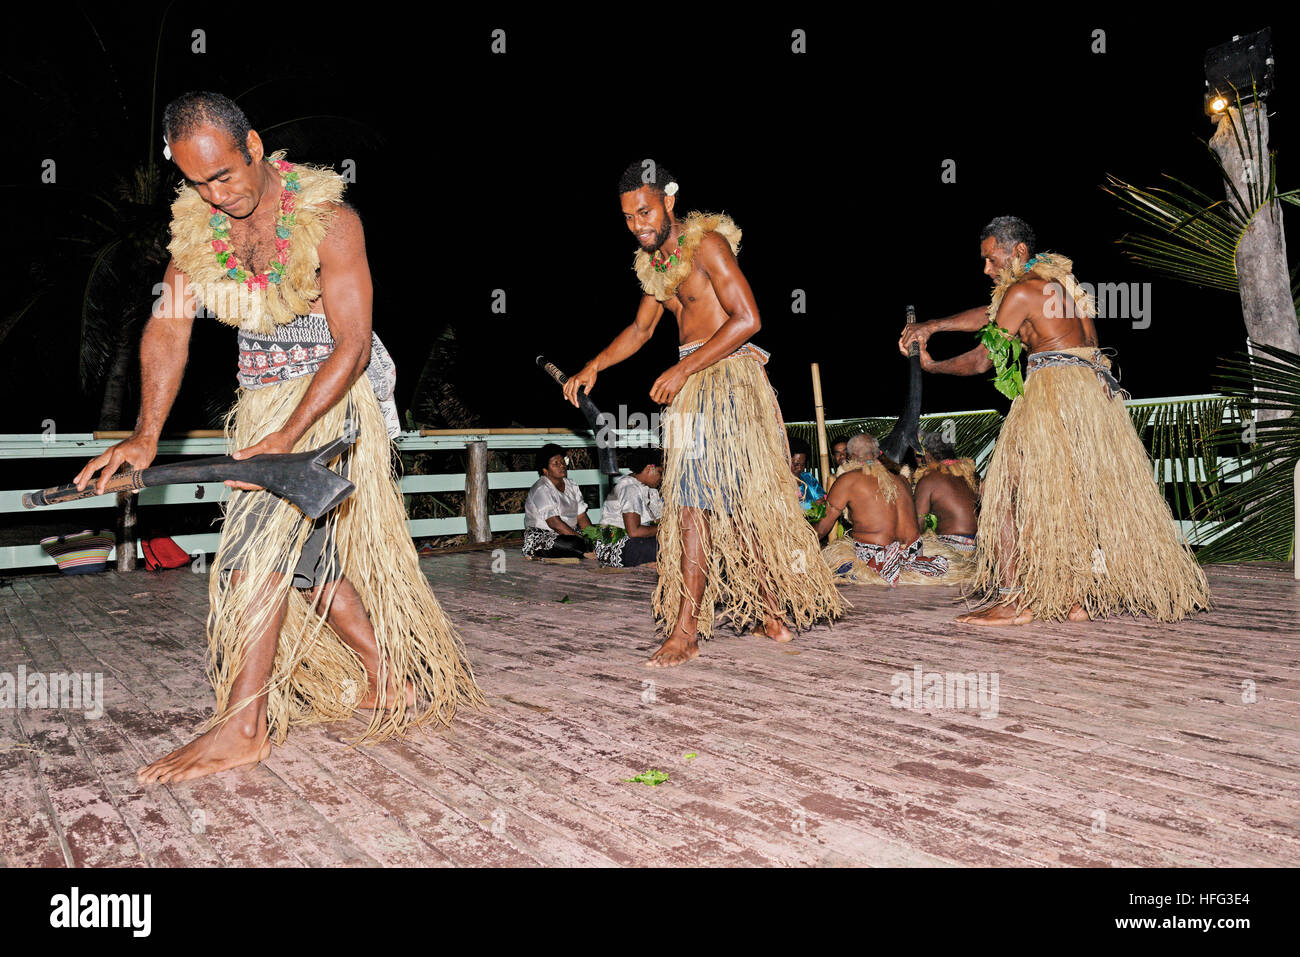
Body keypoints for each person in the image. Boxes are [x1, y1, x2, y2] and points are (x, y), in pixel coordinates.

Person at [74, 92, 482, 784]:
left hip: (337, 394)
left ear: (254, 146)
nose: (213, 194)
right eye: (195, 181)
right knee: (308, 559)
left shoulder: (329, 221)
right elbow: (170, 326)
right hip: (264, 404)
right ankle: (392, 677)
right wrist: (145, 435)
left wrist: (289, 436)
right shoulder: (197, 233)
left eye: (223, 176)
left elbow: (351, 345)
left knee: (252, 550)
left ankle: (245, 725)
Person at [562, 160, 843, 665]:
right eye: (628, 217)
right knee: (707, 504)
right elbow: (642, 330)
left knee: (726, 503)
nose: (638, 225)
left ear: (669, 201)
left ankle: (725, 621)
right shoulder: (656, 268)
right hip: (694, 385)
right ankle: (731, 622)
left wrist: (684, 370)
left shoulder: (707, 246)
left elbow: (750, 319)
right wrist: (593, 366)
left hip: (729, 378)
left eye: (644, 211)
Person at [899, 215, 1210, 624]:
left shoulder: (1022, 291)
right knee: (1069, 498)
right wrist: (936, 325)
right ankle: (1075, 597)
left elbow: (982, 360)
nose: (987, 269)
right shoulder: (1062, 287)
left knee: (1003, 494)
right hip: (1089, 394)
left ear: (1019, 252)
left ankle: (1014, 601)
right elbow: (998, 314)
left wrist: (933, 365)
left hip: (1052, 394)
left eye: (992, 260)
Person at [814, 434, 954, 586]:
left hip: (876, 559)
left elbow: (822, 529)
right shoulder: (901, 479)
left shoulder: (847, 480)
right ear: (876, 454)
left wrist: (800, 541)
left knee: (829, 567)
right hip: (914, 553)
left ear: (851, 457)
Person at [522, 444, 594, 562]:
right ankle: (584, 551)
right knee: (574, 544)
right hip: (543, 536)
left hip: (569, 534)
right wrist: (583, 541)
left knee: (599, 537)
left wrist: (593, 537)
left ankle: (584, 551)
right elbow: (554, 523)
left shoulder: (571, 485)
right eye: (556, 463)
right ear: (545, 470)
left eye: (562, 461)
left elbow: (582, 516)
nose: (562, 465)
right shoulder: (542, 488)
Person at [911, 433, 979, 559]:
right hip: (977, 545)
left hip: (954, 548)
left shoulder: (930, 478)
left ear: (927, 454)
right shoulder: (969, 474)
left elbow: (918, 525)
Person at [593, 447, 663, 569]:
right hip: (614, 544)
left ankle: (648, 562)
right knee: (658, 547)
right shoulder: (629, 488)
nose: (661, 477)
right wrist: (664, 530)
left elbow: (658, 520)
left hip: (635, 540)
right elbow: (634, 531)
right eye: (660, 472)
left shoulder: (650, 489)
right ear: (649, 468)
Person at [788, 437, 827, 509]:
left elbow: (823, 498)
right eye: (796, 464)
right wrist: (811, 506)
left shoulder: (808, 478)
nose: (799, 468)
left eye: (802, 465)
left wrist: (823, 500)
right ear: (786, 460)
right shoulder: (780, 482)